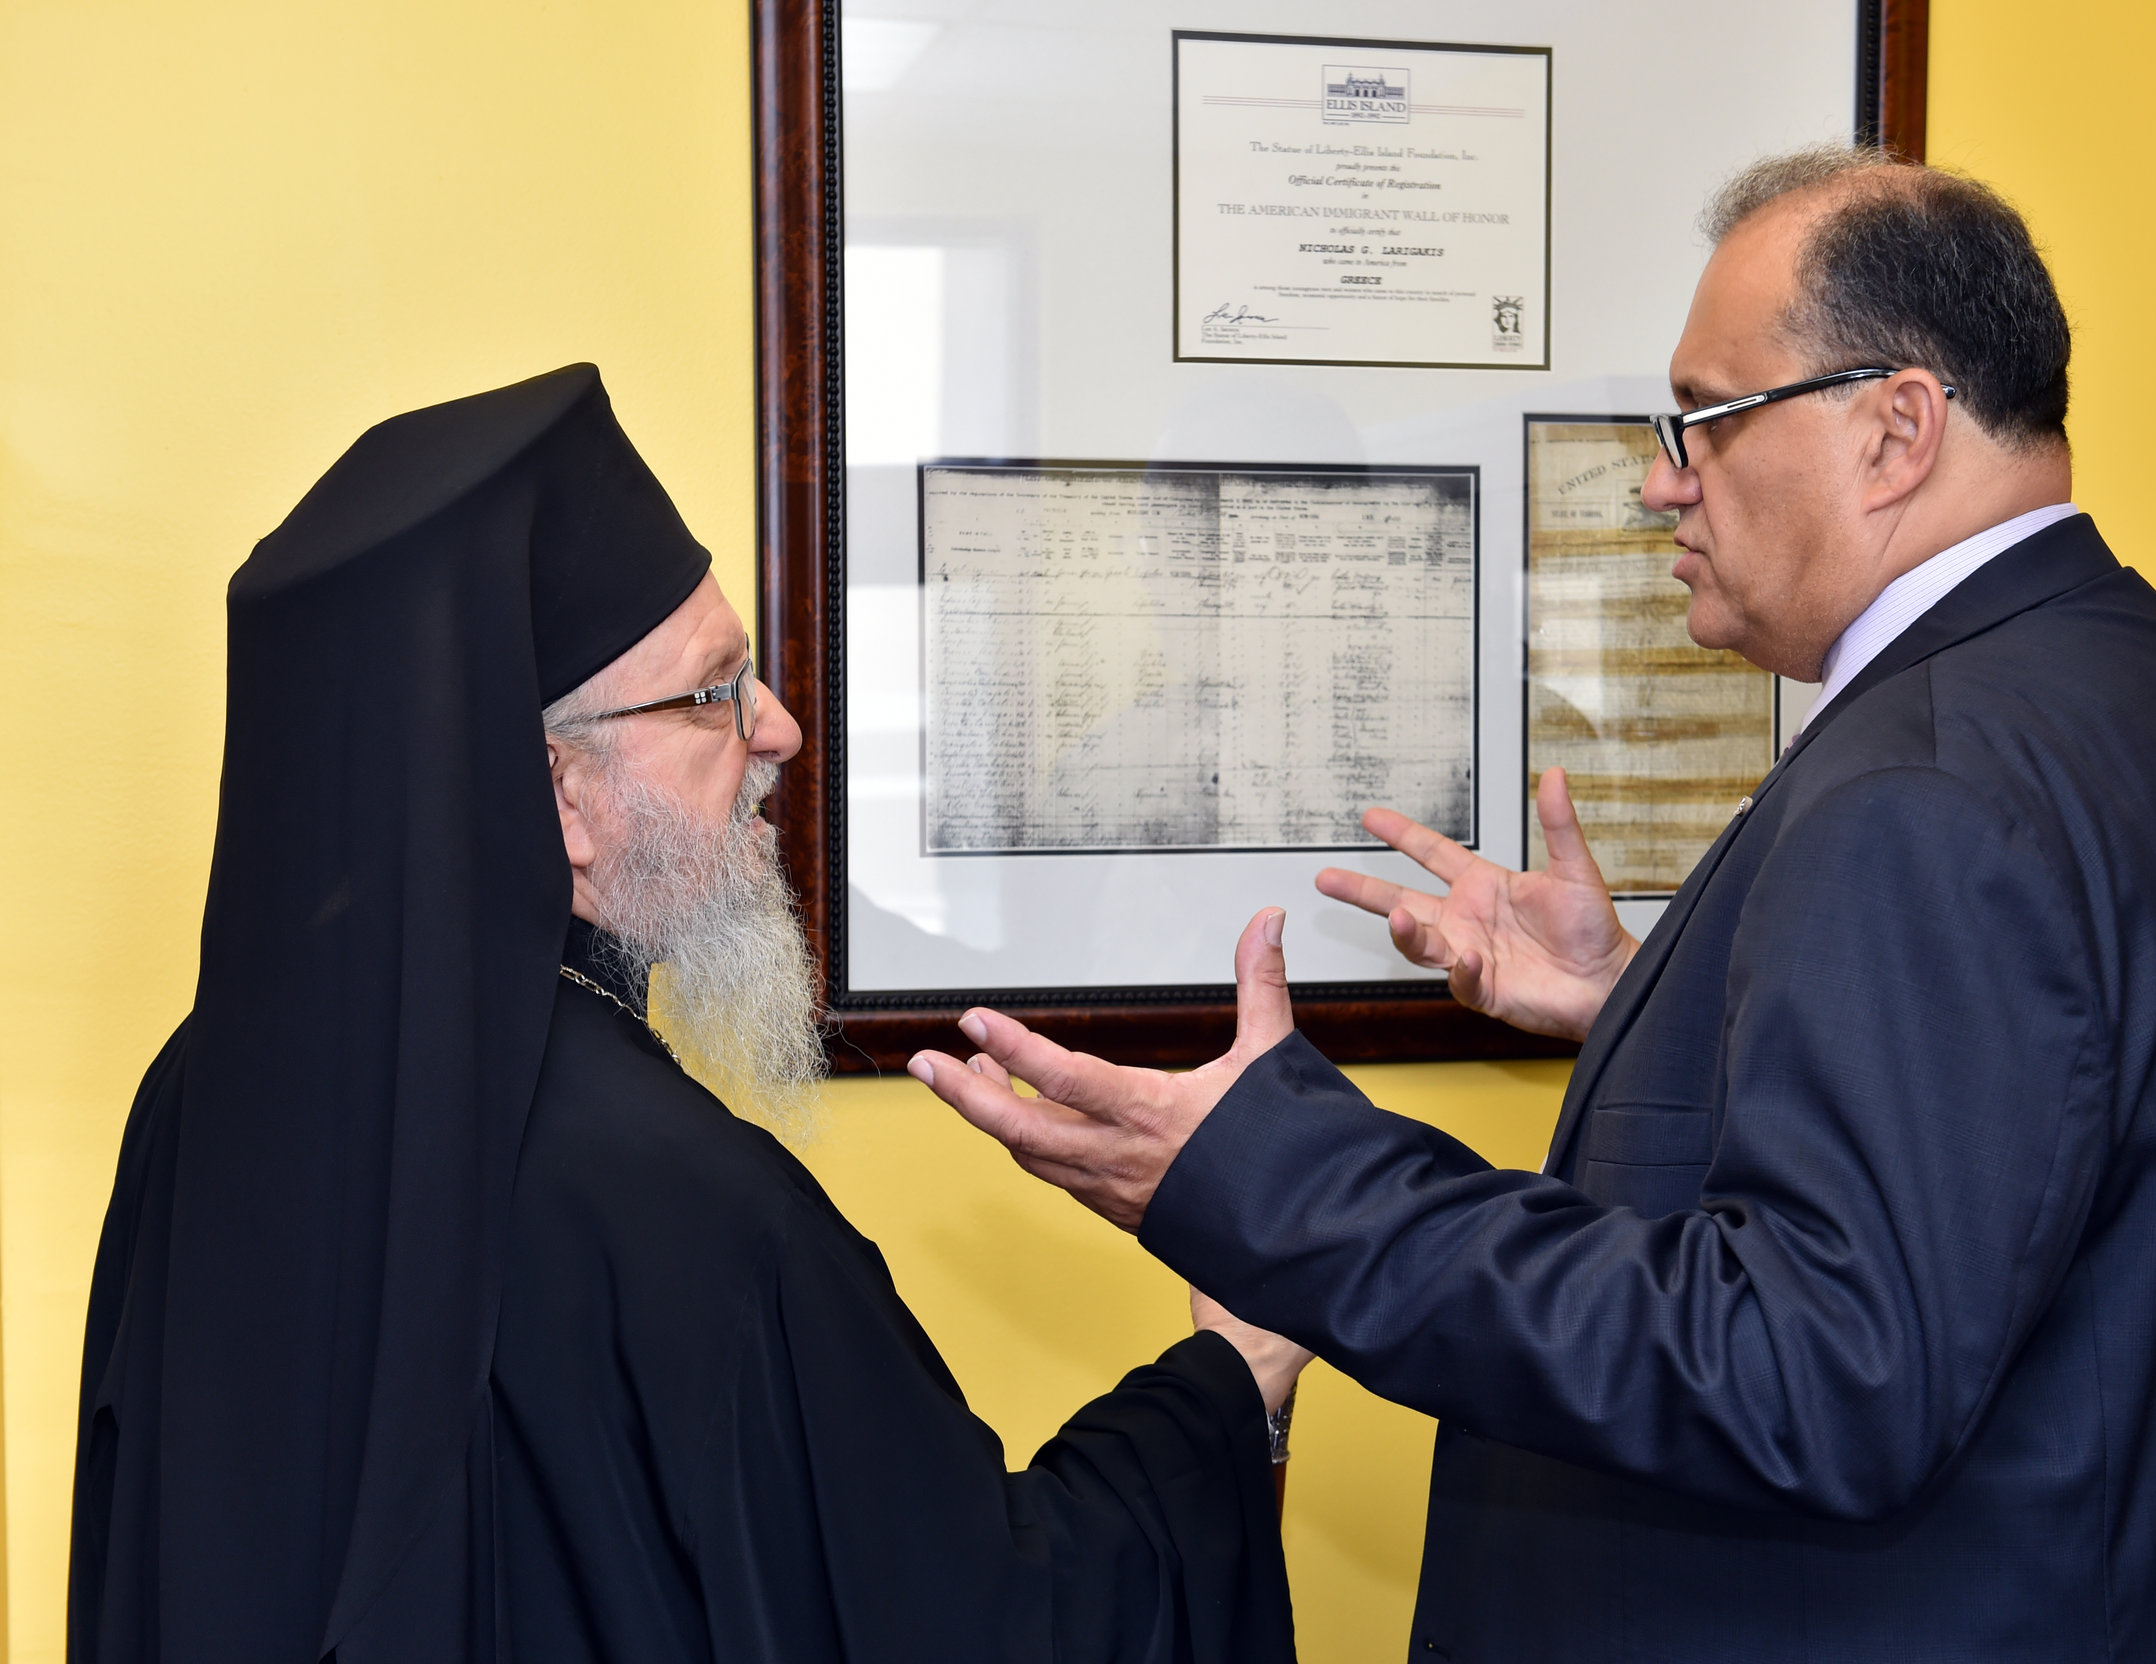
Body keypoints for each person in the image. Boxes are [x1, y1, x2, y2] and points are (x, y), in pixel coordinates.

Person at [910, 146, 2156, 1660]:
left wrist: (1277, 1180)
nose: (1665, 479)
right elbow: (2039, 1134)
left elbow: (1815, 1373)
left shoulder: (1929, 785)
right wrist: (1656, 998)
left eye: (1706, 422)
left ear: (1896, 431)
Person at [70, 365, 1308, 1664]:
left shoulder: (195, 1098)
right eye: (713, 691)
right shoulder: (688, 1207)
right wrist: (1233, 1378)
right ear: (555, 792)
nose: (775, 728)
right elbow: (983, 1621)